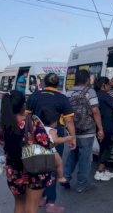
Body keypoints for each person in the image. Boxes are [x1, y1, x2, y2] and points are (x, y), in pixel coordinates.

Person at [0, 90, 53, 213]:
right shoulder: (33, 122)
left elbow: (1, 141)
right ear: (23, 105)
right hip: (34, 167)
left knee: (19, 204)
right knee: (31, 207)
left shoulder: (2, 124)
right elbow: (45, 143)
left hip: (14, 169)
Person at [26, 73, 76, 213]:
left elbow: (27, 117)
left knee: (39, 166)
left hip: (35, 135)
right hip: (55, 135)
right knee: (52, 166)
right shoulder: (62, 98)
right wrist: (72, 138)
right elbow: (69, 121)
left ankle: (40, 197)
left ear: (43, 83)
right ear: (57, 84)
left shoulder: (34, 96)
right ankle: (51, 202)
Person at [63, 69, 104, 192]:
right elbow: (95, 111)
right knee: (85, 158)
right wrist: (100, 129)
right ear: (87, 80)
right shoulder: (90, 91)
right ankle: (81, 184)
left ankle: (65, 177)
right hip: (87, 130)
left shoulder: (68, 93)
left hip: (73, 130)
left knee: (73, 154)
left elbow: (66, 113)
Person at [39, 108, 72, 183]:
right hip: (51, 150)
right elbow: (56, 140)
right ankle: (60, 177)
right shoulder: (52, 130)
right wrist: (66, 139)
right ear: (53, 122)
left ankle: (46, 177)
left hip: (42, 150)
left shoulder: (41, 128)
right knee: (59, 163)